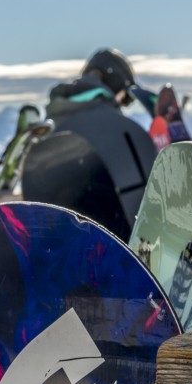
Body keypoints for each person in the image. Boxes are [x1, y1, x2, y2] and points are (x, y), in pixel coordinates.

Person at [27, 48, 157, 240]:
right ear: (114, 83)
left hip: (55, 249)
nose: (122, 104)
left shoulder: (49, 127)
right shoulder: (118, 132)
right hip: (116, 250)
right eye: (124, 96)